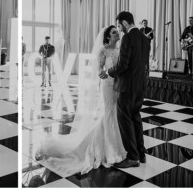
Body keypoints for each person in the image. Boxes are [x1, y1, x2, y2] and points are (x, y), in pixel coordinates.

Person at [35, 26, 127, 176]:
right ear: (108, 37)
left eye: (118, 31)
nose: (118, 33)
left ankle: (114, 145)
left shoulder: (119, 50)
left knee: (113, 115)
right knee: (109, 114)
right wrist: (106, 75)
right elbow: (98, 70)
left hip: (118, 86)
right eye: (114, 32)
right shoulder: (103, 51)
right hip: (108, 86)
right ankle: (110, 151)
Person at [100, 12, 151, 168]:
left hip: (127, 87)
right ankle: (141, 154)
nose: (119, 29)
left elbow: (123, 65)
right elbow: (144, 65)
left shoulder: (128, 38)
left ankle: (133, 156)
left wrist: (108, 72)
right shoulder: (145, 38)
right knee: (135, 117)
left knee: (125, 119)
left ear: (124, 22)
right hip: (140, 86)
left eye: (119, 25)